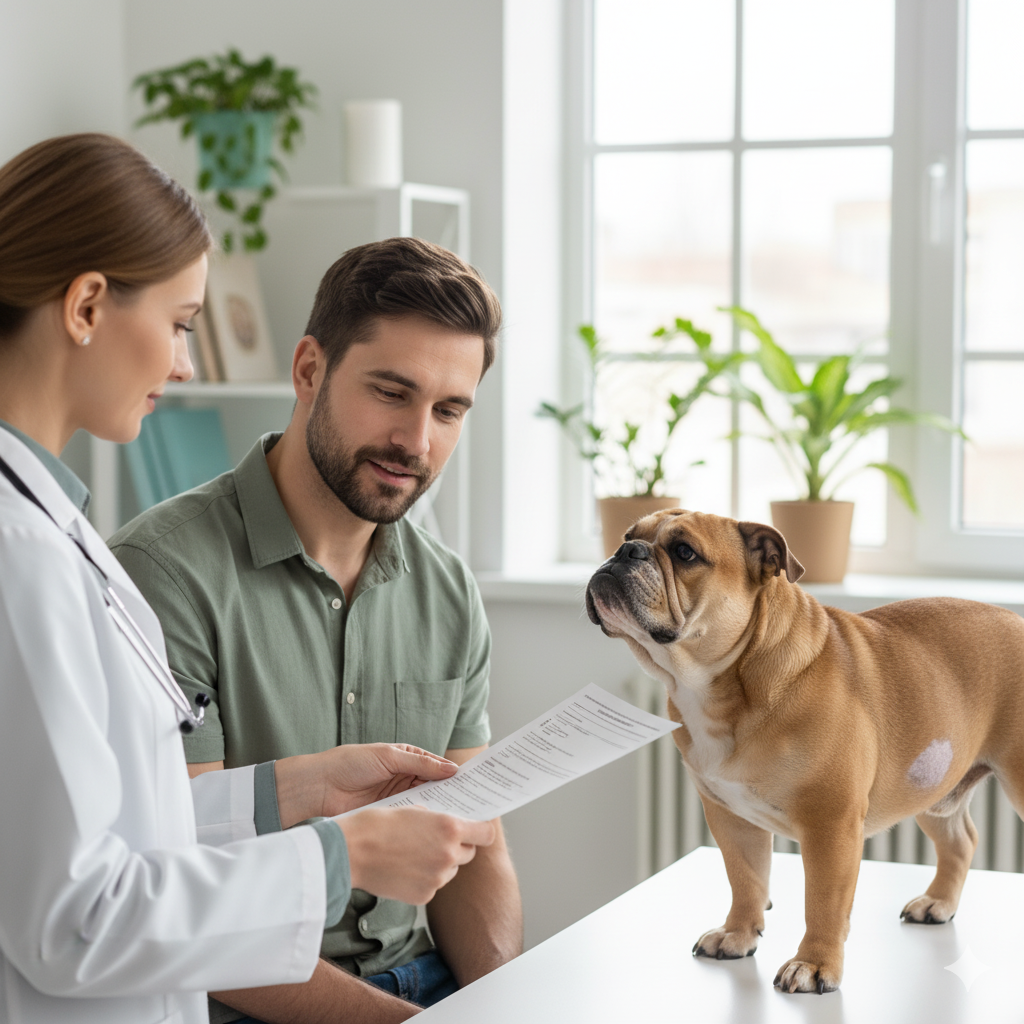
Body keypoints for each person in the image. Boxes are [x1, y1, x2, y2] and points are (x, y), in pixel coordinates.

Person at [0, 133, 497, 1024]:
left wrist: (301, 789)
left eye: (450, 408)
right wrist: (340, 853)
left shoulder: (49, 533)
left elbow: (134, 818)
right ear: (86, 307)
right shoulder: (26, 556)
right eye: (181, 323)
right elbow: (77, 917)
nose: (186, 364)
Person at [110, 237, 523, 1023]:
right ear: (309, 371)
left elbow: (478, 843)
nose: (417, 441)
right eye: (392, 392)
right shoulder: (161, 573)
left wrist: (500, 1007)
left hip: (429, 984)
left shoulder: (448, 591)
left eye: (448, 411)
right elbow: (175, 886)